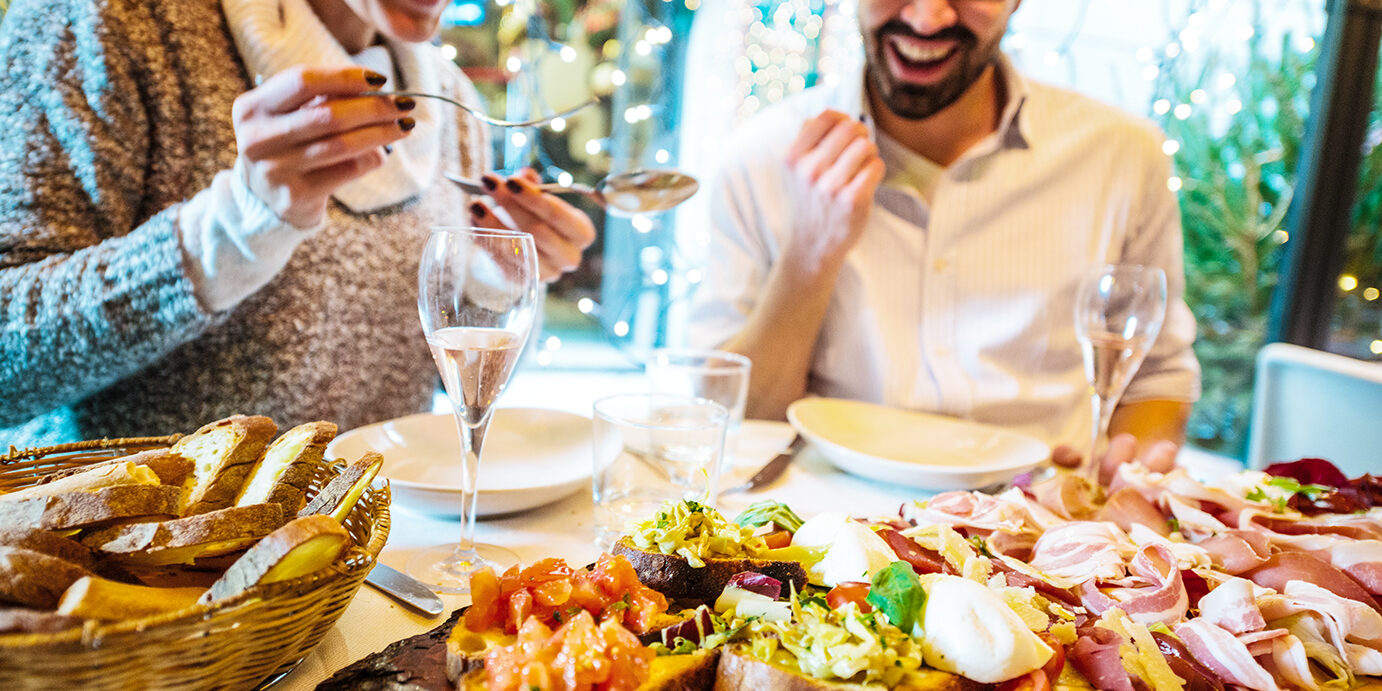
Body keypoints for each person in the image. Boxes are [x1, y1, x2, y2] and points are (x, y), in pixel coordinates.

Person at [0, 0, 595, 448]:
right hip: (131, 581)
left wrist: (490, 289)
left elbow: (449, 390)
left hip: (364, 572)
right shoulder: (102, 23)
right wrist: (232, 231)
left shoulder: (448, 99)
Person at [689, 0, 1200, 482]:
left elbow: (1157, 379)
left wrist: (1122, 475)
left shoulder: (1126, 156)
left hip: (1039, 532)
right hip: (826, 533)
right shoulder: (762, 158)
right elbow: (734, 421)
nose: (928, 18)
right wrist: (809, 254)